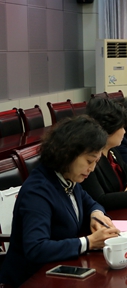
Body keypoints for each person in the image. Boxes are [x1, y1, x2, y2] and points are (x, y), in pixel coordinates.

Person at [0, 117, 120, 286]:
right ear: (68, 153)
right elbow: (36, 248)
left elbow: (90, 203)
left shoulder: (67, 177)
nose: (92, 169)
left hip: (60, 270)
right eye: (89, 161)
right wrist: (89, 242)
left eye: (96, 162)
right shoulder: (38, 190)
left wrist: (96, 214)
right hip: (31, 279)